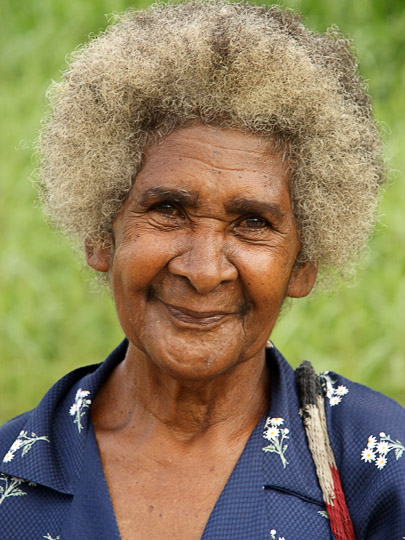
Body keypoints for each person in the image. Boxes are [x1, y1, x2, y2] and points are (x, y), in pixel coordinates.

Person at [0, 2, 404, 539]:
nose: (205, 270)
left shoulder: (377, 467)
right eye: (168, 210)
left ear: (302, 266)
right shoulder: (14, 477)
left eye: (252, 222)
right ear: (102, 233)